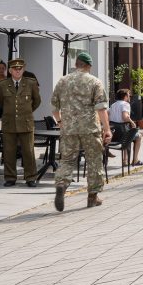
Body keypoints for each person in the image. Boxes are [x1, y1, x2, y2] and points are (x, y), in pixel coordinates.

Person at [51, 52, 113, 210]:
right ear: (89, 66)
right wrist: (107, 129)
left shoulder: (63, 81)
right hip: (90, 128)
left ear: (76, 64)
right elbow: (101, 109)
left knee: (67, 160)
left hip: (69, 128)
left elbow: (54, 107)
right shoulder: (94, 82)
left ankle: (61, 185)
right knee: (94, 161)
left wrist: (60, 122)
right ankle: (93, 197)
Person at [0, 58, 41, 187]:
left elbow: (37, 101)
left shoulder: (31, 83)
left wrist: (26, 111)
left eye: (20, 68)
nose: (17, 71)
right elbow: (0, 102)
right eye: (15, 69)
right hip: (9, 123)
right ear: (10, 70)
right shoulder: (3, 84)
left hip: (26, 122)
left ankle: (30, 177)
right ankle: (10, 177)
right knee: (9, 152)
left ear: (23, 69)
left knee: (28, 152)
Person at [108, 89, 143, 165]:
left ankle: (125, 160)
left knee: (127, 135)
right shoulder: (125, 104)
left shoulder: (113, 105)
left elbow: (108, 116)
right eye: (128, 95)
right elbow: (125, 117)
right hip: (122, 133)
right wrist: (132, 122)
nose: (129, 97)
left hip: (113, 134)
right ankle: (135, 160)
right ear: (125, 96)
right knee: (138, 136)